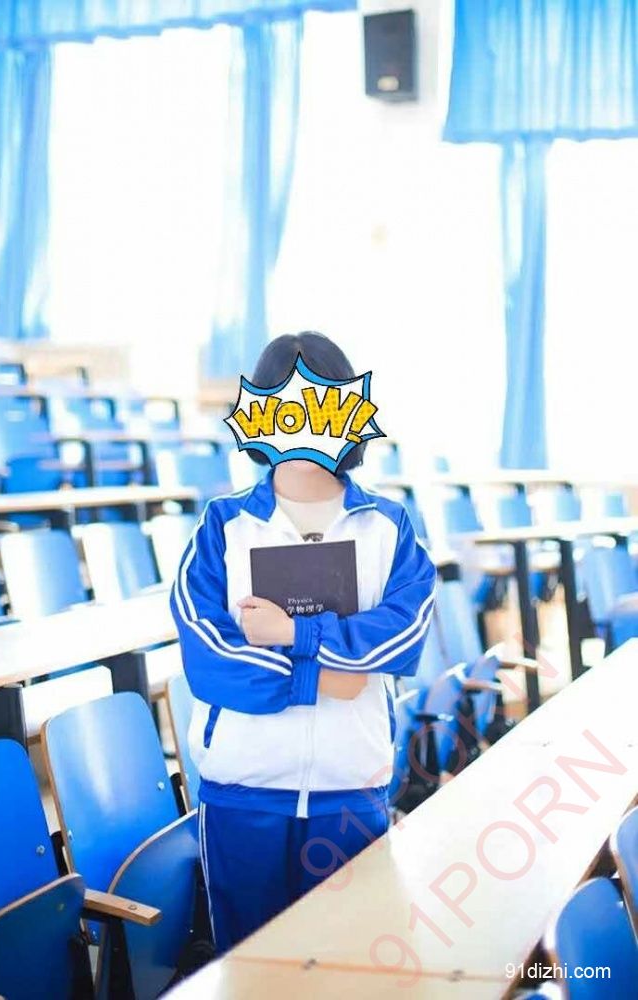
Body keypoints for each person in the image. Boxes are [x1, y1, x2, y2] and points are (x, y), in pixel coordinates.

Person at [171, 332, 436, 954]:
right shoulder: (222, 526)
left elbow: (401, 634)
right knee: (247, 971)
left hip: (351, 788)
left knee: (349, 969)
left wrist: (294, 633)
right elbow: (211, 657)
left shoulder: (389, 526)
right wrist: (323, 677)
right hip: (243, 792)